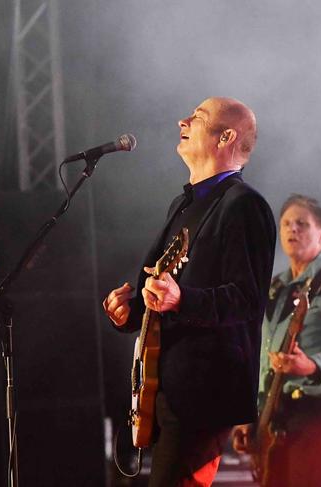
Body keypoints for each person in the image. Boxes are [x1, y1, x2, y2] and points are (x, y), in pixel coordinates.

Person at [103, 97, 276, 487]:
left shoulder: (244, 206)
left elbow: (247, 299)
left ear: (226, 136)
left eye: (197, 117)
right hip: (165, 385)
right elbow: (160, 293)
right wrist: (129, 312)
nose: (182, 120)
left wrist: (182, 299)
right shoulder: (182, 205)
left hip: (203, 391)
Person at [232, 194, 321, 487]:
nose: (293, 230)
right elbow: (260, 355)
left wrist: (312, 366)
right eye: (287, 224)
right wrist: (248, 415)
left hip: (315, 410)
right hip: (272, 413)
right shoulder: (275, 287)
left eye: (302, 224)